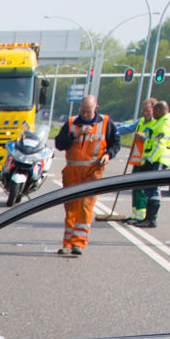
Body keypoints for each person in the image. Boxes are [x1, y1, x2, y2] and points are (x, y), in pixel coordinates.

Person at [53, 96, 118, 256]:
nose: (84, 114)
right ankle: (67, 243)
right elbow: (59, 144)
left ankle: (79, 243)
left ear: (96, 107)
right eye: (82, 111)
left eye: (88, 112)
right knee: (70, 208)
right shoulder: (71, 123)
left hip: (92, 173)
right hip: (72, 172)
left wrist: (108, 155)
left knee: (85, 207)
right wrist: (75, 134)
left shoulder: (106, 123)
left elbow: (115, 144)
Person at [129, 99, 170, 228]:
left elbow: (159, 144)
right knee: (150, 188)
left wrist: (149, 159)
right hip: (158, 158)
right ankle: (148, 218)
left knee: (153, 189)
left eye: (154, 112)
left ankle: (151, 219)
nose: (153, 115)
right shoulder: (164, 121)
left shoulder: (165, 123)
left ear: (159, 110)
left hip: (157, 159)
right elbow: (152, 138)